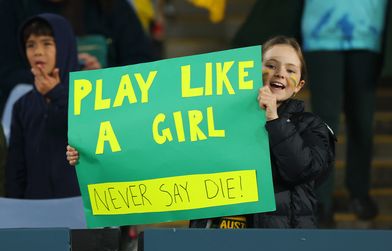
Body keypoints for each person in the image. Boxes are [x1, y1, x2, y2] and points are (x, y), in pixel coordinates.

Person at [67, 36, 336, 228]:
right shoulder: (217, 112)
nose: (279, 73)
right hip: (214, 238)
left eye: (290, 70)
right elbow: (157, 149)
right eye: (271, 65)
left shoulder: (311, 126)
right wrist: (91, 153)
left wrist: (274, 119)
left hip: (279, 245)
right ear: (255, 69)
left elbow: (303, 171)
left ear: (299, 84)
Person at [301, 0, 389, 225]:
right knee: (324, 122)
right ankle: (321, 201)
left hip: (369, 29)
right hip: (320, 31)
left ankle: (359, 192)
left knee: (362, 118)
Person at [0, 0, 156, 115]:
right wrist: (60, 78)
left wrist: (103, 78)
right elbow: (6, 71)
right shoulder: (12, 7)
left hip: (107, 111)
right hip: (38, 113)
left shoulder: (110, 6)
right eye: (32, 45)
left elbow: (141, 62)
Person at [5, 13, 80, 199]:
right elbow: (16, 169)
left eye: (47, 43)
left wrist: (57, 93)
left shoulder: (86, 96)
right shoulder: (22, 105)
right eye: (31, 45)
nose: (38, 52)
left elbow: (89, 136)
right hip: (36, 211)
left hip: (80, 208)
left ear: (64, 47)